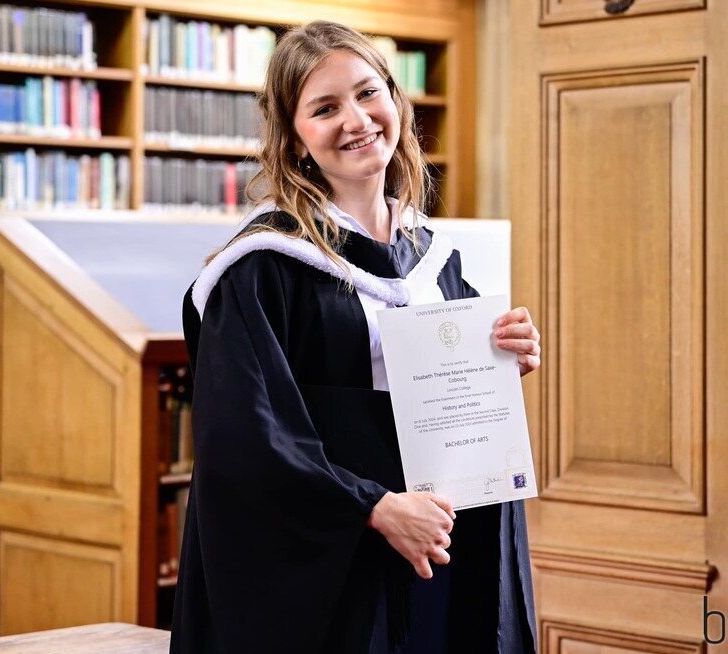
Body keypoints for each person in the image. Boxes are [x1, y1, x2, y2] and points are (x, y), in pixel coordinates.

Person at [171, 20, 541, 654]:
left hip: (442, 535)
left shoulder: (433, 256)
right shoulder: (264, 266)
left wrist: (506, 354)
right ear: (294, 140)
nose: (357, 119)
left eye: (369, 93)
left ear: (396, 101)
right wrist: (372, 508)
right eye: (325, 107)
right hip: (337, 560)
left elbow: (460, 394)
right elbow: (246, 438)